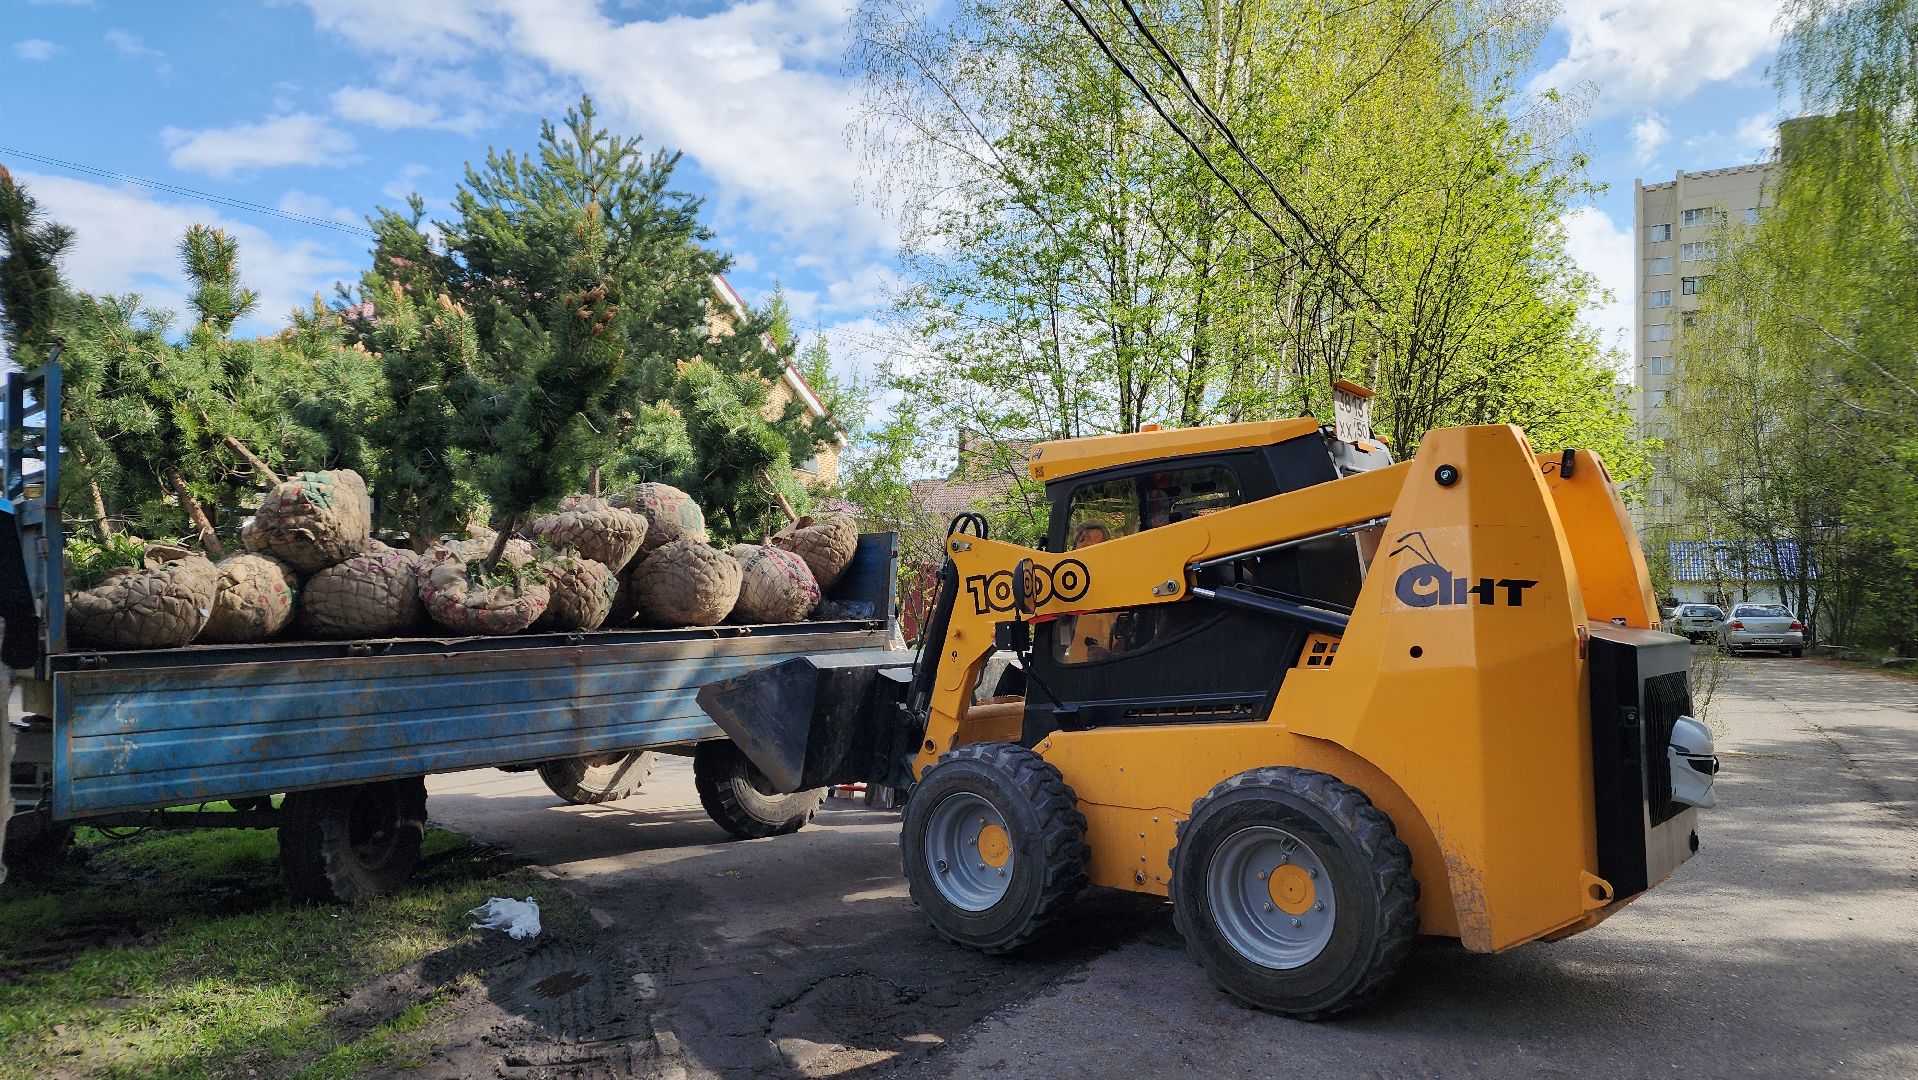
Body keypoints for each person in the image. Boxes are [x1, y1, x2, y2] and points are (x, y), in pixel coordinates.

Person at [1061, 521, 1118, 663]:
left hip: (1112, 666)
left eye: (1093, 545)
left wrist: (1110, 656)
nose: (1087, 549)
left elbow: (1129, 631)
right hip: (1076, 667)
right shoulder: (1068, 586)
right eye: (1081, 542)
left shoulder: (1117, 584)